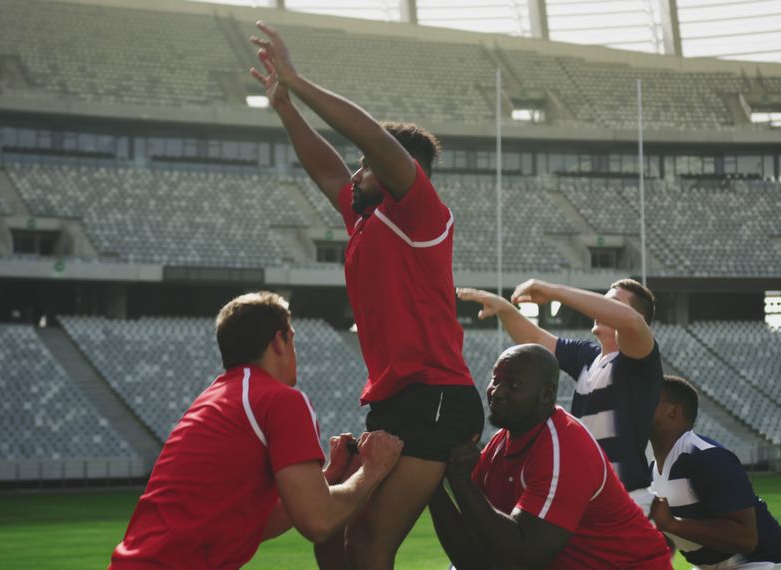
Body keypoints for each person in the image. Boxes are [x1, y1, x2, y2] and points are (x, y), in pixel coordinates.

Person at [250, 22, 483, 569]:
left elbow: (373, 141)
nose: (355, 172)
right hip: (396, 397)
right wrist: (285, 107)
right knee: (340, 536)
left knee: (371, 542)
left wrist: (299, 80)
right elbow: (327, 167)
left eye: (366, 167)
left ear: (401, 172)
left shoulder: (422, 212)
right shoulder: (368, 219)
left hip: (436, 395)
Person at [109, 292, 403, 569]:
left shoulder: (215, 397)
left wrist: (326, 479)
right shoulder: (281, 400)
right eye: (292, 341)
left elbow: (251, 524)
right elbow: (318, 522)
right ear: (278, 342)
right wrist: (374, 468)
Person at [428, 344, 672, 569]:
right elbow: (471, 560)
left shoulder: (564, 446)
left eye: (513, 385)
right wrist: (431, 484)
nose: (497, 392)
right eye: (496, 379)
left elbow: (521, 559)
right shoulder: (497, 448)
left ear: (547, 394)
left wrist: (461, 481)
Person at [457, 278, 663, 513]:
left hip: (629, 502)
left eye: (610, 303)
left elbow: (631, 321)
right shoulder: (588, 357)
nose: (598, 308)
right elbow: (536, 340)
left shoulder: (638, 361)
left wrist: (555, 291)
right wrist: (504, 308)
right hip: (587, 500)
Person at [648, 375, 781, 570]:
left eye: (646, 397)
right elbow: (666, 532)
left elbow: (746, 538)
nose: (635, 404)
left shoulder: (707, 456)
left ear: (673, 411)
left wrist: (673, 524)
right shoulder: (653, 468)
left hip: (763, 562)